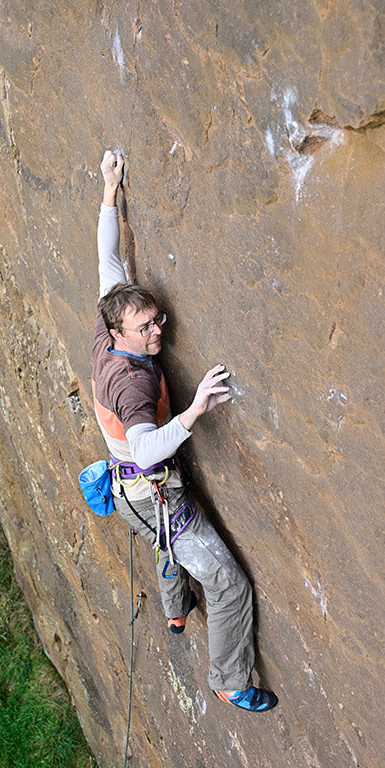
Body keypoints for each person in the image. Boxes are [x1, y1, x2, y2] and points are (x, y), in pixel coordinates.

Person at [92, 148, 278, 713]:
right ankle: (228, 679)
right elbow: (147, 449)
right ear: (122, 331)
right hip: (151, 490)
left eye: (158, 320)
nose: (157, 331)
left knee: (167, 540)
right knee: (226, 581)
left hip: (134, 495)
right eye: (146, 327)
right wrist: (195, 409)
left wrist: (108, 190)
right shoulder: (133, 386)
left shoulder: (106, 327)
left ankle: (175, 608)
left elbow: (107, 257)